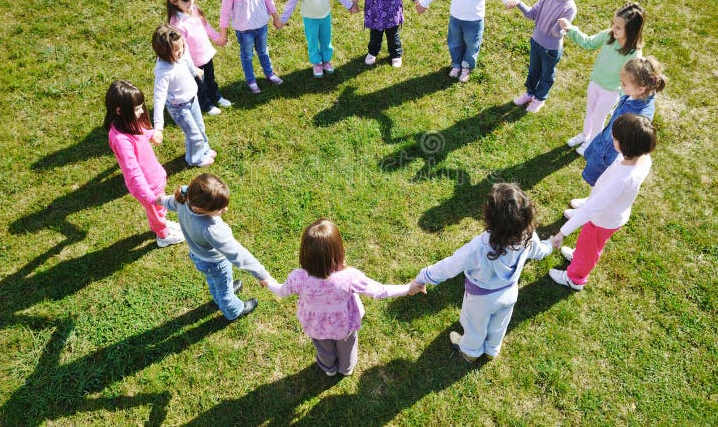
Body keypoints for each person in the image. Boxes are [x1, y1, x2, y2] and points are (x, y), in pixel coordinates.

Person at [262, 219, 423, 376]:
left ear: (305, 253)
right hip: (344, 325)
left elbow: (282, 291)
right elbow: (380, 291)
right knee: (348, 348)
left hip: (315, 325)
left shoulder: (298, 278)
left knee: (324, 349)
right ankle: (346, 369)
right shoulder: (349, 277)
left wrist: (268, 282)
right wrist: (408, 288)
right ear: (338, 251)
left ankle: (328, 368)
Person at [415, 183, 552, 362]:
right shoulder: (528, 236)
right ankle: (491, 350)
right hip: (509, 293)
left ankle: (471, 352)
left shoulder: (478, 248)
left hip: (480, 299)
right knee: (499, 325)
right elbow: (539, 251)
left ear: (490, 218)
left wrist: (423, 277)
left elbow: (449, 266)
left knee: (475, 327)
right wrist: (550, 245)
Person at [549, 114, 657, 290]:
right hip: (613, 214)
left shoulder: (620, 179)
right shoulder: (644, 158)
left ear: (625, 146)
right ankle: (579, 256)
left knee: (589, 249)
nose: (613, 140)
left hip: (603, 220)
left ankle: (575, 278)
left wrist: (562, 233)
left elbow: (590, 209)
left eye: (615, 139)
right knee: (587, 245)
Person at [158, 173, 270, 321]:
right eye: (220, 209)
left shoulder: (184, 199)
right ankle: (234, 310)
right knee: (224, 291)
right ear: (201, 209)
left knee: (214, 282)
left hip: (198, 257)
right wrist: (262, 275)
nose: (225, 210)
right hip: (216, 263)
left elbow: (167, 201)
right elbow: (238, 254)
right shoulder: (211, 229)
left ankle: (218, 297)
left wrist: (157, 200)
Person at [104, 80, 184, 247]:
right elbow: (133, 170)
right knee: (155, 212)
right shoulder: (120, 139)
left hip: (154, 179)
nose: (141, 112)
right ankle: (162, 235)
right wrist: (148, 196)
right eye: (137, 109)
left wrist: (150, 134)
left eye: (141, 106)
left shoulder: (127, 124)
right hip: (147, 187)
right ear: (119, 110)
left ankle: (162, 223)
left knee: (159, 210)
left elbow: (139, 132)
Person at [559, 2, 645, 155]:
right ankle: (585, 135)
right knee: (590, 112)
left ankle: (592, 142)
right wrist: (571, 30)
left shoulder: (634, 54)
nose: (613, 28)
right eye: (613, 24)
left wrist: (621, 98)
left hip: (611, 91)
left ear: (631, 30)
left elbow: (632, 79)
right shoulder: (608, 35)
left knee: (599, 118)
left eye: (618, 27)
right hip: (595, 83)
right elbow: (588, 42)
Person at [581, 56, 666, 186]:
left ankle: (590, 202)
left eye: (624, 84)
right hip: (605, 140)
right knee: (598, 182)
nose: (621, 85)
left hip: (610, 155)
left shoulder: (639, 118)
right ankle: (589, 200)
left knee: (602, 183)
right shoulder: (635, 94)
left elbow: (629, 147)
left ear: (641, 89)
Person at [509, 0, 579, 112]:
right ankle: (529, 93)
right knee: (533, 71)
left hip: (550, 50)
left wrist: (559, 28)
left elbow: (557, 34)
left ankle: (539, 99)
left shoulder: (570, 7)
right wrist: (519, 4)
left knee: (546, 75)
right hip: (536, 42)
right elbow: (532, 14)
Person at [217, 0, 284, 94]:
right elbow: (225, 12)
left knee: (263, 51)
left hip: (261, 26)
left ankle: (270, 74)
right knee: (247, 55)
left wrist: (276, 17)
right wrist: (223, 33)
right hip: (244, 30)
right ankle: (251, 80)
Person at [151, 25, 214, 167]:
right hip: (179, 108)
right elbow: (159, 98)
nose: (181, 51)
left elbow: (187, 62)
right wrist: (158, 126)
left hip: (193, 99)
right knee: (194, 135)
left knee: (200, 127)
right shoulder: (163, 71)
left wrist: (195, 71)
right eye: (176, 50)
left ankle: (204, 150)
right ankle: (194, 159)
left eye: (182, 47)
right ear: (164, 52)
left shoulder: (182, 53)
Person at [167, 0, 231, 116]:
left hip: (205, 54)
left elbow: (205, 25)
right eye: (186, 0)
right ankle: (206, 105)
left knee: (210, 79)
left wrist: (217, 38)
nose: (191, 2)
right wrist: (192, 67)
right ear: (173, 1)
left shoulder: (194, 10)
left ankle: (216, 96)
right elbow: (182, 49)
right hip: (194, 63)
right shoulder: (177, 24)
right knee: (200, 86)